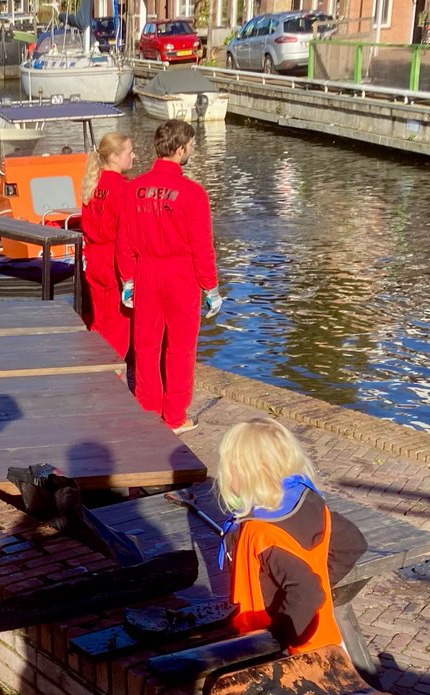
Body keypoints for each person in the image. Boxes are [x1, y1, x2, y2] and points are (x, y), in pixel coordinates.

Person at [216, 418, 366, 654]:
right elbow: (353, 543)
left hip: (286, 652)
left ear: (243, 473)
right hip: (324, 639)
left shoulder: (261, 532)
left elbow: (307, 589)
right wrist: (322, 578)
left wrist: (279, 637)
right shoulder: (311, 503)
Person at [116, 119, 223, 434]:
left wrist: (128, 280)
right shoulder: (192, 193)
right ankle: (174, 415)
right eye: (190, 146)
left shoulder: (133, 189)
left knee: (145, 345)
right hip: (180, 275)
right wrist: (211, 288)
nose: (191, 150)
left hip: (146, 272)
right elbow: (201, 246)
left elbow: (124, 241)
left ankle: (147, 407)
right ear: (180, 149)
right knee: (180, 347)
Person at [79, 131, 134, 360]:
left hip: (94, 259)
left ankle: (94, 369)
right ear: (114, 157)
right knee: (118, 329)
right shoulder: (123, 189)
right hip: (114, 261)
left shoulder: (92, 184)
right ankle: (111, 381)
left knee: (99, 323)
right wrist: (129, 276)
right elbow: (128, 234)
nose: (134, 156)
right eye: (130, 152)